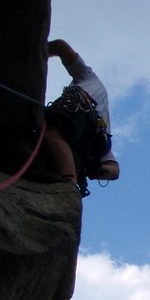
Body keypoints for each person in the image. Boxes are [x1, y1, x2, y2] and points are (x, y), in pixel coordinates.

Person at [41, 39, 119, 195]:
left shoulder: (87, 77)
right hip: (89, 139)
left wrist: (39, 53)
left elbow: (59, 46)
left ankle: (69, 181)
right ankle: (69, 178)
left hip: (79, 112)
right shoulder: (103, 124)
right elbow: (114, 169)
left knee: (52, 134)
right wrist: (102, 171)